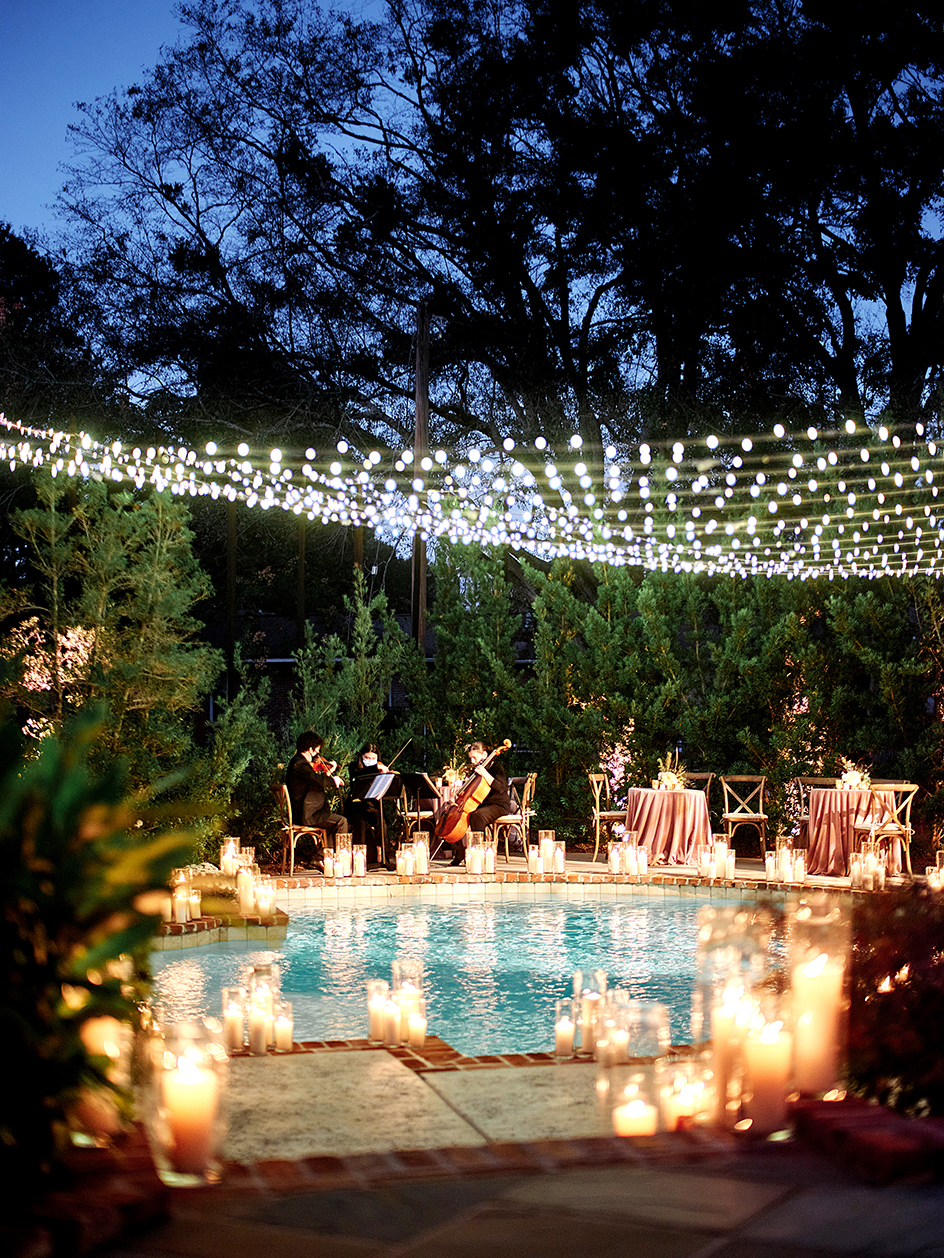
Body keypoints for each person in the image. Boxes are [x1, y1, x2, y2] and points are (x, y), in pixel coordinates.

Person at [444, 740, 511, 867]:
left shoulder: (496, 768)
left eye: (474, 757)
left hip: (498, 805)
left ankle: (479, 854)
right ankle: (459, 852)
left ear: (485, 755)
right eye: (470, 758)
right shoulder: (476, 770)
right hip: (483, 804)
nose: (472, 761)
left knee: (477, 816)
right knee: (451, 816)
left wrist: (485, 774)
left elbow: (501, 788)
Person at [284, 733, 349, 864]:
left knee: (337, 821)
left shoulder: (297, 763)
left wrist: (329, 773)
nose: (318, 752)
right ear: (310, 749)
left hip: (302, 812)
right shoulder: (300, 765)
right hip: (305, 814)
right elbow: (316, 780)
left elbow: (313, 781)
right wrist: (334, 781)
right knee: (341, 822)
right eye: (317, 749)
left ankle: (321, 856)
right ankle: (319, 858)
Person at [344, 742, 389, 867]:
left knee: (381, 820)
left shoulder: (380, 769)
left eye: (373, 758)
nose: (370, 760)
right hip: (355, 807)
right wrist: (375, 769)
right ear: (361, 756)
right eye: (367, 758)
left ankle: (382, 854)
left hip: (371, 806)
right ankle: (359, 858)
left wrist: (384, 775)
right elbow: (358, 775)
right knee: (360, 823)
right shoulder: (354, 767)